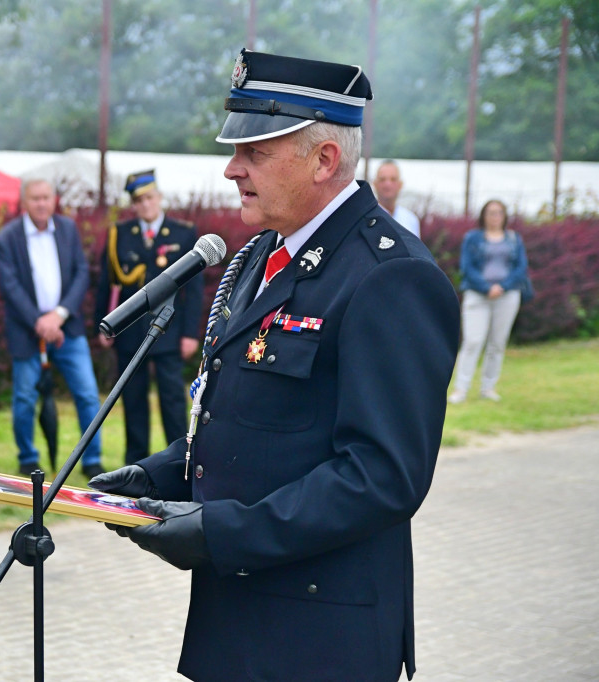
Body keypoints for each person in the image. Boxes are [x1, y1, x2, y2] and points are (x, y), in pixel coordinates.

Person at [90, 50, 460, 681]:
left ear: (324, 159)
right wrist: (156, 477)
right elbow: (250, 418)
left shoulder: (389, 277)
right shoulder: (264, 253)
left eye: (255, 151)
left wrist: (222, 532)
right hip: (238, 617)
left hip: (319, 634)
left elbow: (382, 476)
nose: (232, 169)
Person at [0, 179, 104, 477]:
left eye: (46, 197)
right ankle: (27, 457)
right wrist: (40, 321)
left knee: (88, 394)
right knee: (25, 398)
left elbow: (81, 273)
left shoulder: (68, 229)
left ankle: (92, 460)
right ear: (24, 202)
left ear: (54, 199)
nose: (41, 203)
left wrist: (58, 314)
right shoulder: (7, 238)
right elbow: (10, 286)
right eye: (35, 198)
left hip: (67, 327)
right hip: (27, 330)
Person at [95, 170, 202, 466]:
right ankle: (136, 464)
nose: (145, 205)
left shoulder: (183, 233)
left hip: (170, 330)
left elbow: (193, 290)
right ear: (133, 204)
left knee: (172, 400)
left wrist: (191, 333)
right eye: (138, 201)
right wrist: (103, 326)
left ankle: (180, 461)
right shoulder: (121, 233)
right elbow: (107, 283)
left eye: (149, 198)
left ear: (159, 197)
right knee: (133, 400)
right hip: (130, 331)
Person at [449, 199, 530, 404]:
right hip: (478, 295)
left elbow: (520, 268)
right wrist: (487, 287)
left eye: (499, 213)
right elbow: (466, 267)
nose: (494, 217)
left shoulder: (514, 239)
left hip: (507, 295)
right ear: (483, 215)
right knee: (473, 341)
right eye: (490, 212)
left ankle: (488, 387)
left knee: (497, 343)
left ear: (504, 216)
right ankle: (461, 388)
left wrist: (503, 287)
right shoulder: (473, 238)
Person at [373, 159, 421, 238]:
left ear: (400, 184)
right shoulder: (364, 220)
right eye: (382, 179)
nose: (388, 184)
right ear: (375, 184)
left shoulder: (411, 220)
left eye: (393, 179)